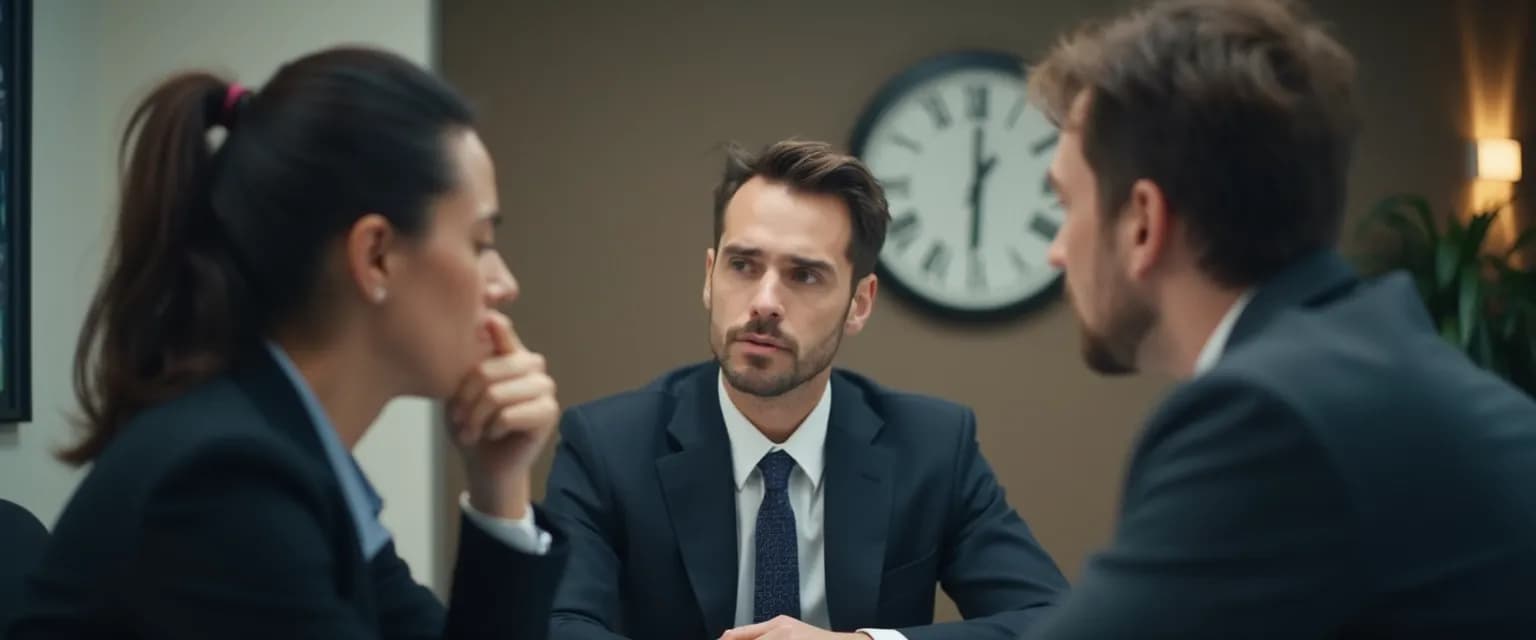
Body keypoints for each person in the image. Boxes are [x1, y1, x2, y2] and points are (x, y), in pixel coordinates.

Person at [10, 47, 569, 638]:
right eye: (479, 243)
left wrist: (499, 482)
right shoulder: (227, 486)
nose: (504, 285)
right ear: (375, 256)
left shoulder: (282, 454)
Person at [1019, 0, 1536, 637]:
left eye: (1066, 203)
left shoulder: (1271, 418)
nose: (1057, 248)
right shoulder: (1383, 368)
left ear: (1144, 223)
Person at [542, 139, 1067, 640]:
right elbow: (556, 626)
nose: (765, 302)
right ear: (709, 277)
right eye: (743, 265)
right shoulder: (609, 447)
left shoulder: (931, 447)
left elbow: (1049, 621)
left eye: (805, 275)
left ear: (860, 303)